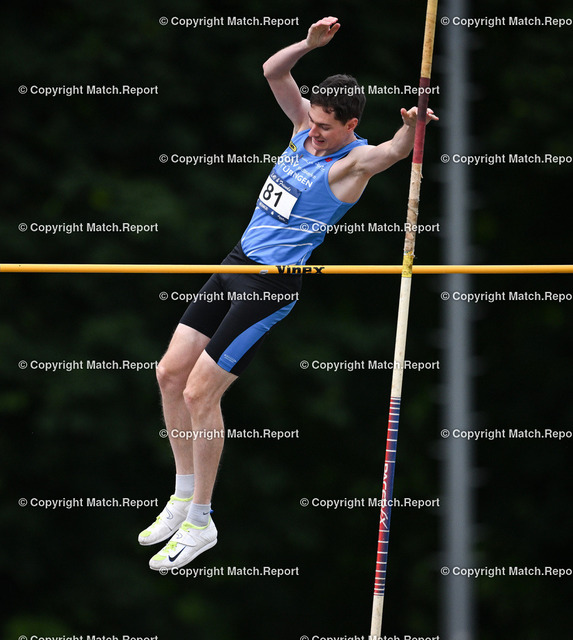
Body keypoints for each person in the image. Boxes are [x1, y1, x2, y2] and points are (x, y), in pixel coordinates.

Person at [138, 16, 438, 571]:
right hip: (234, 264)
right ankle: (181, 496)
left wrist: (412, 126)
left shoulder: (351, 163)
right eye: (313, 120)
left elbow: (394, 152)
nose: (313, 132)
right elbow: (273, 73)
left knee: (201, 393)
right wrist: (307, 45)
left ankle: (202, 520)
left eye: (325, 126)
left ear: (350, 125)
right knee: (170, 374)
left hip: (270, 285)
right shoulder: (302, 128)